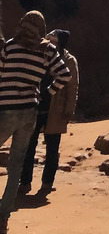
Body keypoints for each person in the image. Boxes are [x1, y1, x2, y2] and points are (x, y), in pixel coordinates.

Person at [0, 12, 70, 233]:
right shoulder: (46, 50)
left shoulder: (10, 46)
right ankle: (3, 217)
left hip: (5, 109)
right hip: (29, 111)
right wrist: (46, 92)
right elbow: (65, 75)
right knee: (16, 165)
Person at [18, 29, 78, 196]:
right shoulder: (39, 54)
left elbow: (72, 87)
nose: (50, 44)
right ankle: (25, 182)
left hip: (56, 109)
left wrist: (69, 110)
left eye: (54, 41)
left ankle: (47, 183)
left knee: (52, 148)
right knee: (29, 146)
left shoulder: (69, 61)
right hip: (35, 106)